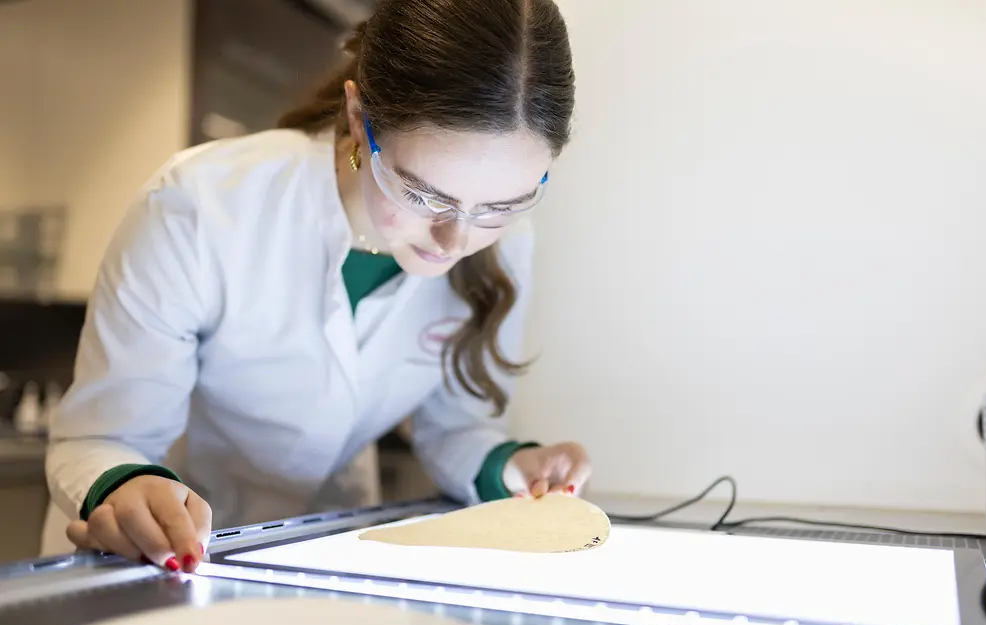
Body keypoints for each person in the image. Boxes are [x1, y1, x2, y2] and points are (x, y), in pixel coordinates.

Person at [41, 0, 590, 573]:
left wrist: (515, 466)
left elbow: (456, 429)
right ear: (360, 118)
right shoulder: (201, 205)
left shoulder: (506, 245)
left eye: (502, 205)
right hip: (152, 556)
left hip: (321, 547)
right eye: (425, 195)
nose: (456, 239)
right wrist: (129, 487)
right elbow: (100, 436)